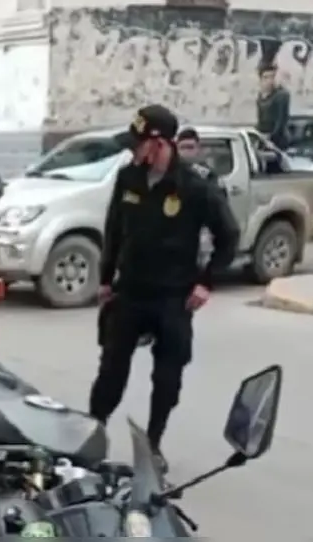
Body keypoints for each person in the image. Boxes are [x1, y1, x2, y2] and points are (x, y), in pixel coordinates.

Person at [89, 104, 240, 470]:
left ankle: (153, 442)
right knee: (111, 368)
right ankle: (92, 432)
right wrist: (106, 279)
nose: (132, 150)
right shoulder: (129, 178)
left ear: (158, 143)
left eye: (138, 143)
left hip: (173, 296)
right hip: (131, 291)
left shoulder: (194, 186)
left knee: (168, 375)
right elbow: (113, 231)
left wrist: (207, 282)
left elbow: (229, 234)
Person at [256, 64, 291, 150]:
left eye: (272, 77)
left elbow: (281, 121)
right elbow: (260, 120)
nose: (269, 81)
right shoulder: (260, 96)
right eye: (266, 78)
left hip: (278, 139)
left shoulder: (281, 95)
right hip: (264, 138)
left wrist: (271, 137)